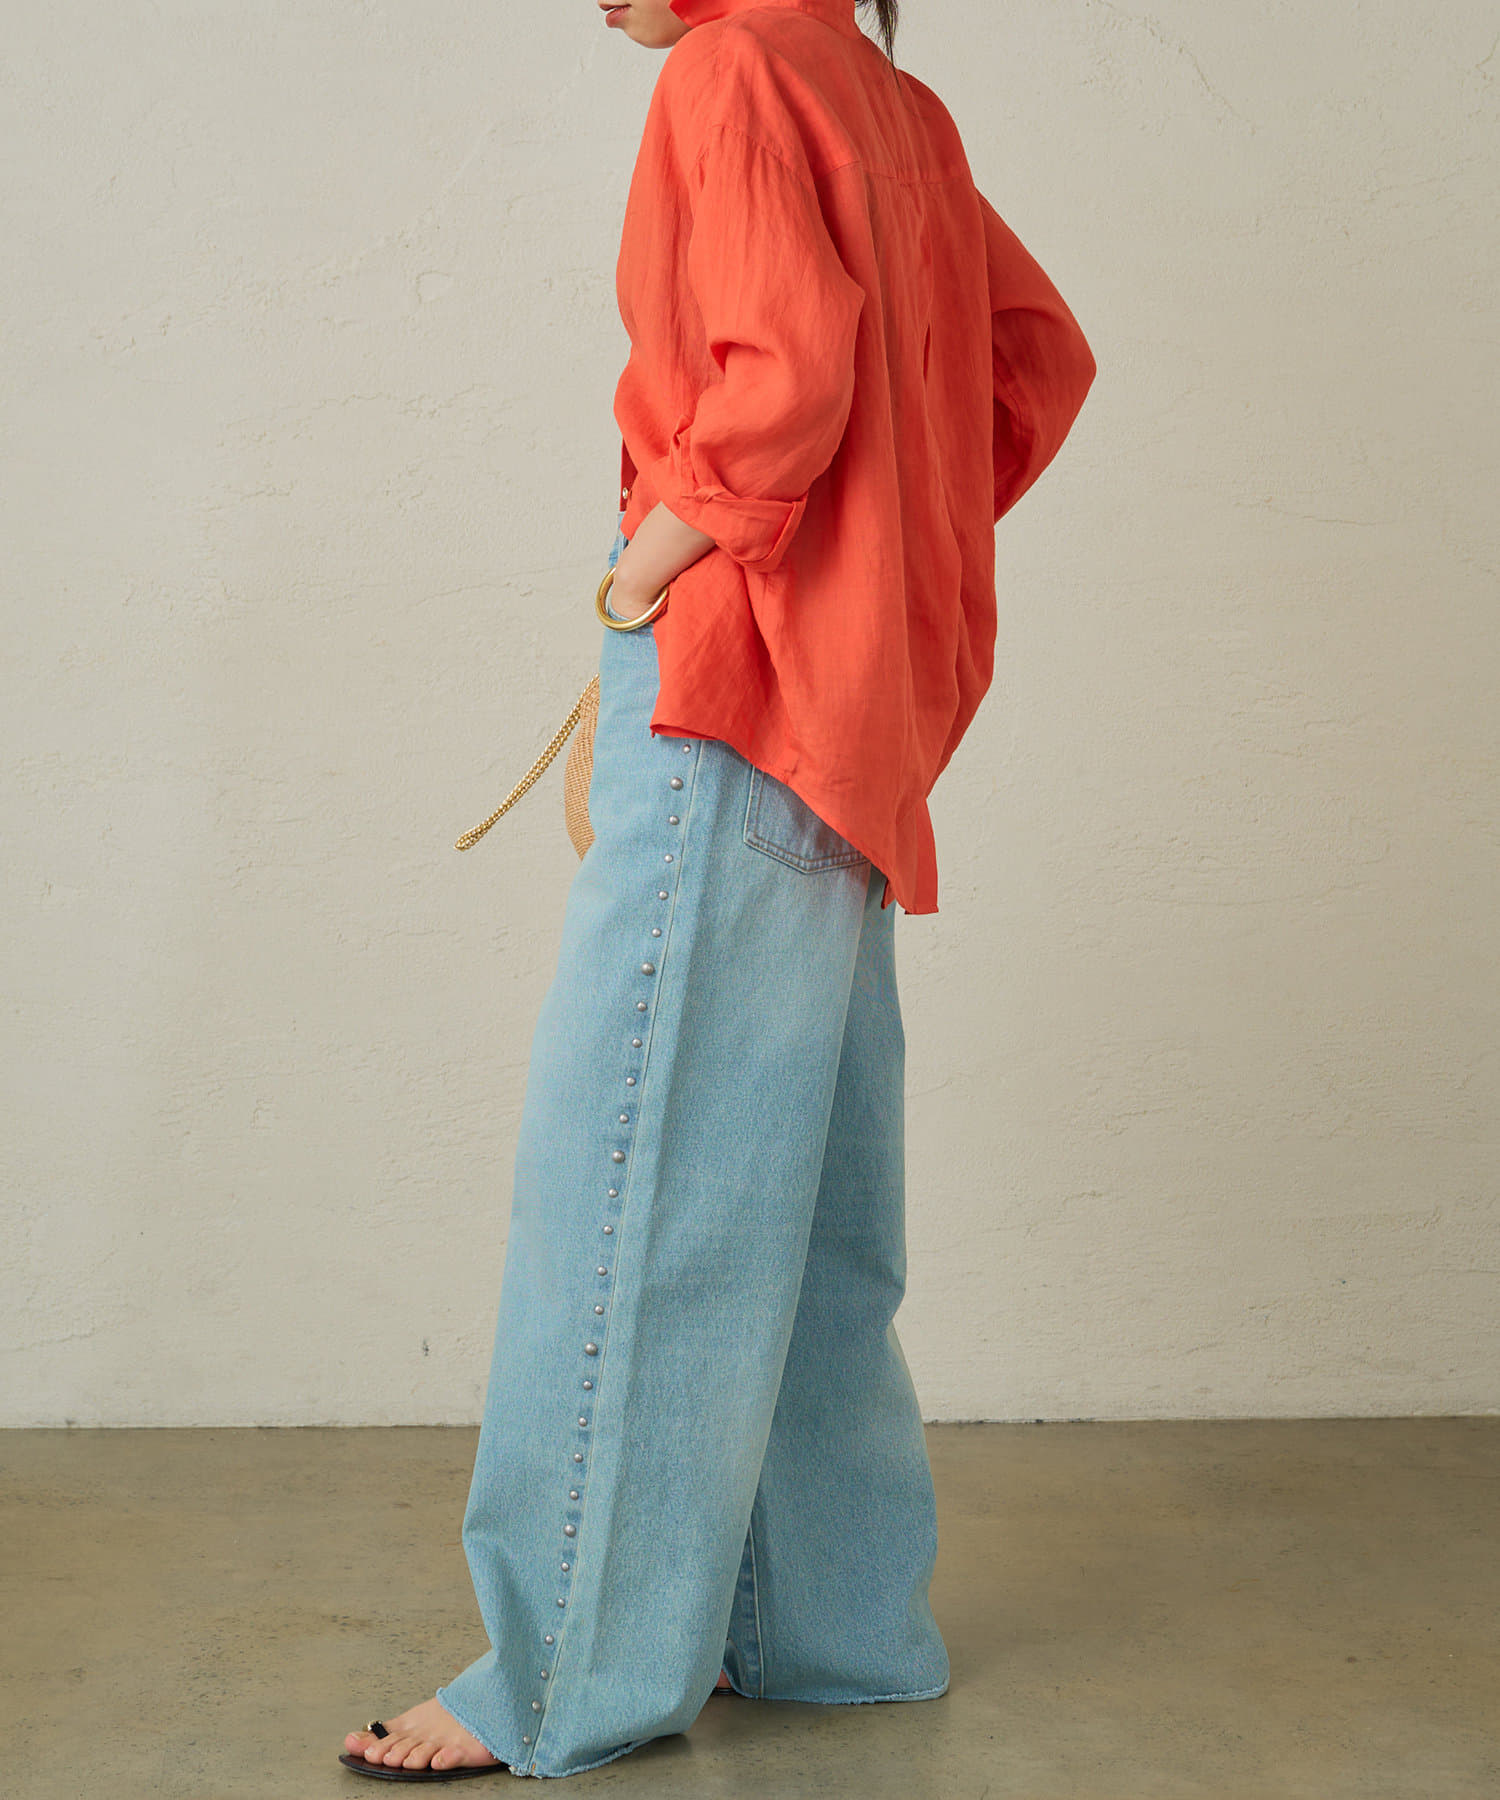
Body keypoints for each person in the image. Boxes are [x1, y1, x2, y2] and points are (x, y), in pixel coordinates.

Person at [340, 0, 1095, 1780]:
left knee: (633, 1180)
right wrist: (887, 544)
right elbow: (1031, 365)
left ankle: (563, 1678)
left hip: (743, 685)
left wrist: (642, 574)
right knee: (804, 1204)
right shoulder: (893, 102)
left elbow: (782, 384)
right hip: (857, 720)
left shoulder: (733, 66)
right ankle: (830, 1632)